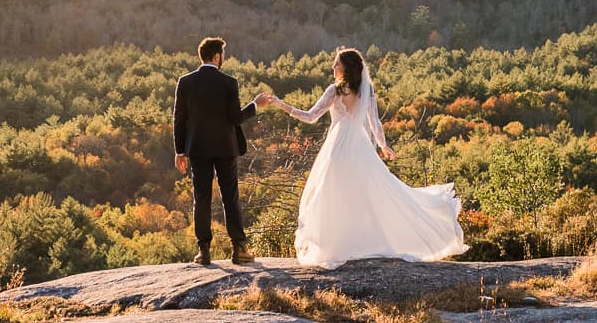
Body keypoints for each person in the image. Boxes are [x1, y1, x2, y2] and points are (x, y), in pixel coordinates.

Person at [255, 48, 465, 268]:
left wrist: (280, 104)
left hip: (337, 149)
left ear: (345, 67)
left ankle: (341, 245)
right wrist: (383, 146)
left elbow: (310, 117)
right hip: (360, 147)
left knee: (333, 196)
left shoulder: (335, 91)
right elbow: (375, 124)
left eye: (336, 64)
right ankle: (358, 242)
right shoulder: (366, 90)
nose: (332, 67)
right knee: (367, 194)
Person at [172, 36, 259, 266]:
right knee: (230, 197)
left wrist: (179, 151)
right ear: (217, 56)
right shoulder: (228, 83)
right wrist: (256, 105)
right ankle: (239, 249)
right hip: (225, 147)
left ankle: (204, 251)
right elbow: (236, 118)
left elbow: (179, 120)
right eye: (223, 55)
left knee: (201, 197)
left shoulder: (185, 82)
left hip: (197, 148)